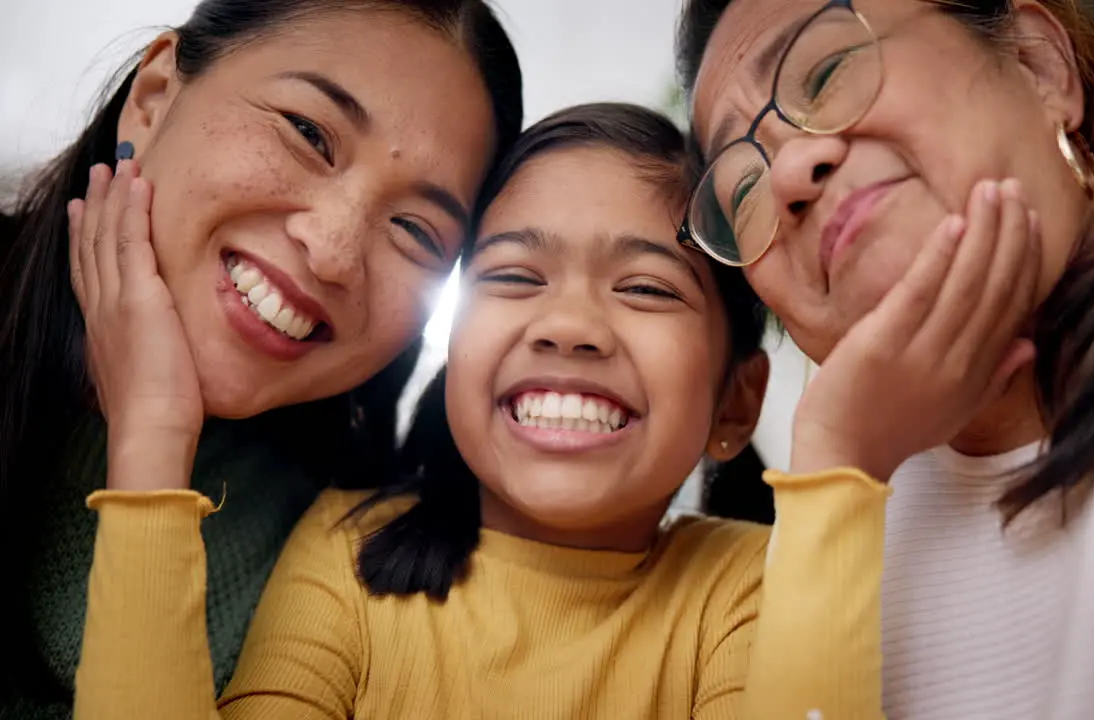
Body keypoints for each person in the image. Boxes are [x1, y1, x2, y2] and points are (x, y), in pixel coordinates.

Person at [73, 98, 1037, 718]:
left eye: (649, 289)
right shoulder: (348, 553)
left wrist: (839, 469)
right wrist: (151, 445)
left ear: (735, 403)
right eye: (514, 275)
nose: (570, 325)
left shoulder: (751, 591)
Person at [676, 0, 1094, 717]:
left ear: (1038, 65)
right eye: (741, 190)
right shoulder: (834, 532)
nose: (788, 176)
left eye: (829, 71)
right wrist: (835, 467)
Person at [0, 1, 522, 716]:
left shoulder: (354, 557)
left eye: (416, 230)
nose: (333, 251)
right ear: (152, 100)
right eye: (309, 134)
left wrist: (152, 439)